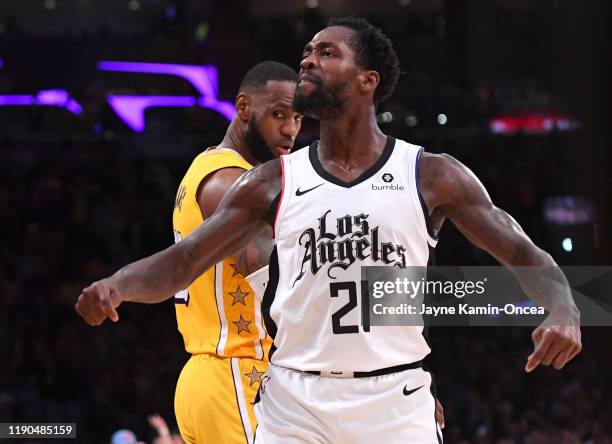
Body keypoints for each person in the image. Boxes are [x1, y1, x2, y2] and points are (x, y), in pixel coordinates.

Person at [76, 17, 580, 443]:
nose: (308, 61)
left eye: (326, 52)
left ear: (367, 80)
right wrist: (117, 285)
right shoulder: (270, 182)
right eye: (306, 53)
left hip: (393, 399)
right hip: (295, 402)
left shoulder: (432, 173)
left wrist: (564, 306)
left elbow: (522, 251)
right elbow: (184, 262)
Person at [78, 61, 303, 444]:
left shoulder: (211, 168)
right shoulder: (229, 182)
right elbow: (276, 276)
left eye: (298, 117)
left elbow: (179, 262)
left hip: (216, 379)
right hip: (238, 376)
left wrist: (118, 284)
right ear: (244, 107)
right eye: (278, 114)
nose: (290, 129)